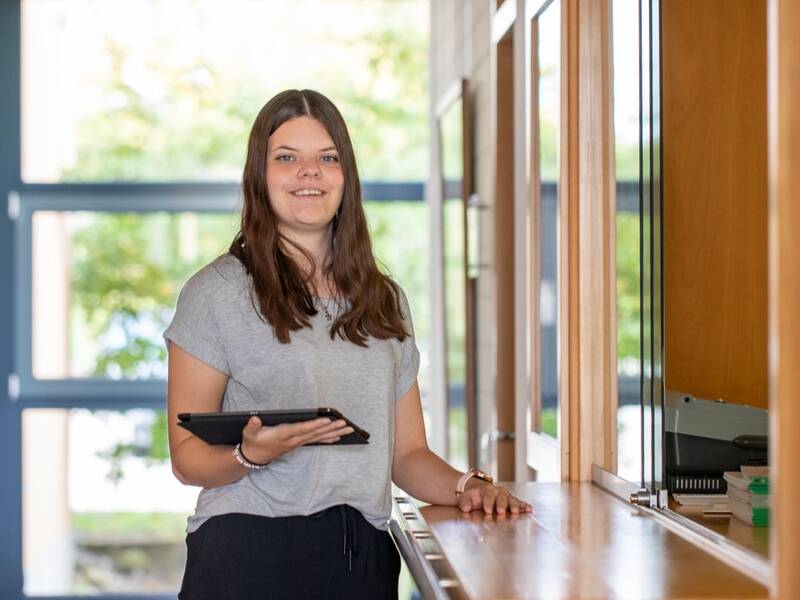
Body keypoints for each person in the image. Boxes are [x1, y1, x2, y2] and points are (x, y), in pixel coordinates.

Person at [165, 89, 532, 600]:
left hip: (359, 558)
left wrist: (468, 487)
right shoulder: (216, 293)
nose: (309, 173)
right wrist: (250, 454)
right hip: (246, 555)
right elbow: (186, 458)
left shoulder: (383, 300)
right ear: (260, 176)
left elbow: (406, 454)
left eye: (327, 158)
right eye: (287, 157)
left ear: (346, 177)